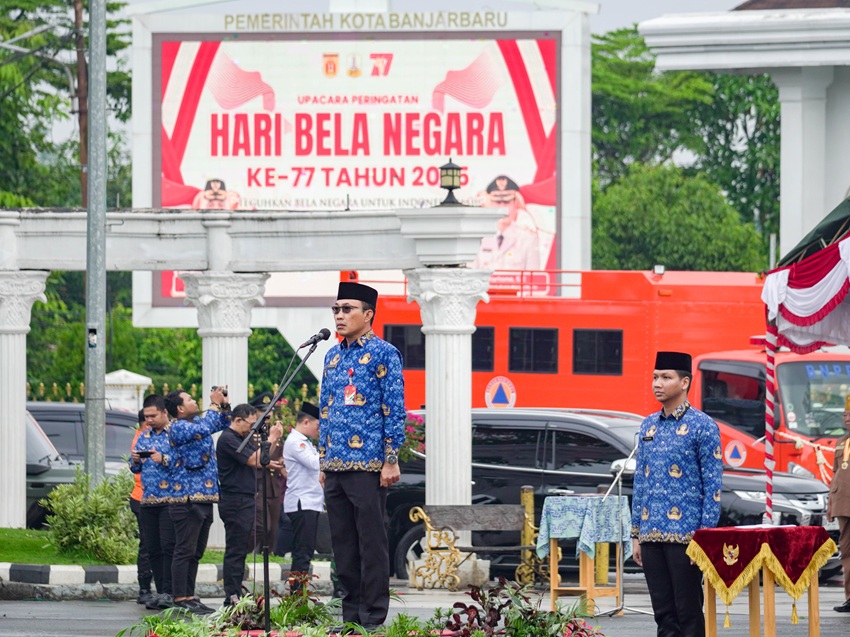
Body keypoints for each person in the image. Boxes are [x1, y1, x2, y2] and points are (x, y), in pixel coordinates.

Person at [319, 281, 406, 631]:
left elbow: (393, 408)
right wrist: (323, 459)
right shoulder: (332, 355)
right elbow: (325, 410)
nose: (339, 316)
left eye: (347, 309)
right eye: (336, 309)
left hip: (369, 464)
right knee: (342, 547)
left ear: (368, 314)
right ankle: (350, 618)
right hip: (335, 465)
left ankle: (372, 619)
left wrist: (390, 458)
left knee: (371, 544)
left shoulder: (385, 353)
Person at [631, 351, 723, 637]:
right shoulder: (648, 425)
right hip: (650, 533)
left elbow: (713, 486)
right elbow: (640, 481)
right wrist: (636, 533)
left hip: (687, 537)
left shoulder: (703, 426)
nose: (657, 383)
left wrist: (705, 538)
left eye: (665, 377)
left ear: (684, 382)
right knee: (663, 614)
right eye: (655, 377)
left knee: (689, 612)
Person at [165, 385, 230, 615]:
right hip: (186, 499)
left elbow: (223, 423)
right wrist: (213, 404)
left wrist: (223, 404)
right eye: (190, 399)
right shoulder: (177, 428)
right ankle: (179, 597)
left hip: (204, 496)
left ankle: (190, 596)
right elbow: (208, 425)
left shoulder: (195, 425)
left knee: (195, 551)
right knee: (184, 549)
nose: (196, 401)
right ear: (180, 408)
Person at [216, 403, 283, 606]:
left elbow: (260, 457)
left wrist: (269, 453)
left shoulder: (240, 438)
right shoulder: (228, 439)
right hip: (235, 499)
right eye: (251, 424)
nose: (253, 429)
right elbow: (254, 460)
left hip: (245, 497)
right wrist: (272, 438)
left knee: (242, 547)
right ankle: (232, 595)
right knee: (235, 549)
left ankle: (237, 591)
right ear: (238, 420)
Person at [129, 394, 177, 611]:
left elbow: (186, 462)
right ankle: (159, 592)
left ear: (164, 412)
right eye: (146, 416)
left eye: (153, 415)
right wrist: (136, 461)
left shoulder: (176, 434)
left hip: (170, 500)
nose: (149, 420)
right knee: (153, 548)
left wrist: (164, 458)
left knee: (169, 547)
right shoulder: (144, 436)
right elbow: (135, 468)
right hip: (147, 499)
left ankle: (170, 591)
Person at [283, 401, 323, 593]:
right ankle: (297, 595)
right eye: (318, 425)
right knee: (302, 553)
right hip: (302, 503)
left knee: (305, 552)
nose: (319, 430)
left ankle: (299, 593)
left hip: (310, 502)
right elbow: (315, 463)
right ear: (305, 422)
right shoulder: (295, 442)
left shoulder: (305, 442)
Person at [248, 392, 286, 554]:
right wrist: (270, 463)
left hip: (274, 484)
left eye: (270, 410)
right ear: (255, 412)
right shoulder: (251, 435)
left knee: (274, 525)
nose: (268, 414)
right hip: (259, 482)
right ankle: (249, 549)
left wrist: (283, 461)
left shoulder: (275, 432)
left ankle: (269, 552)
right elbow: (257, 458)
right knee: (264, 524)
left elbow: (280, 453)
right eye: (263, 410)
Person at [129, 408, 154, 606]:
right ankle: (144, 588)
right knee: (147, 544)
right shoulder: (142, 438)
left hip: (151, 497)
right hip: (142, 497)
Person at [828, 394, 850, 612]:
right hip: (843, 503)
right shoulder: (841, 442)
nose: (847, 418)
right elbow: (835, 474)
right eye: (845, 414)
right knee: (846, 551)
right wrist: (831, 505)